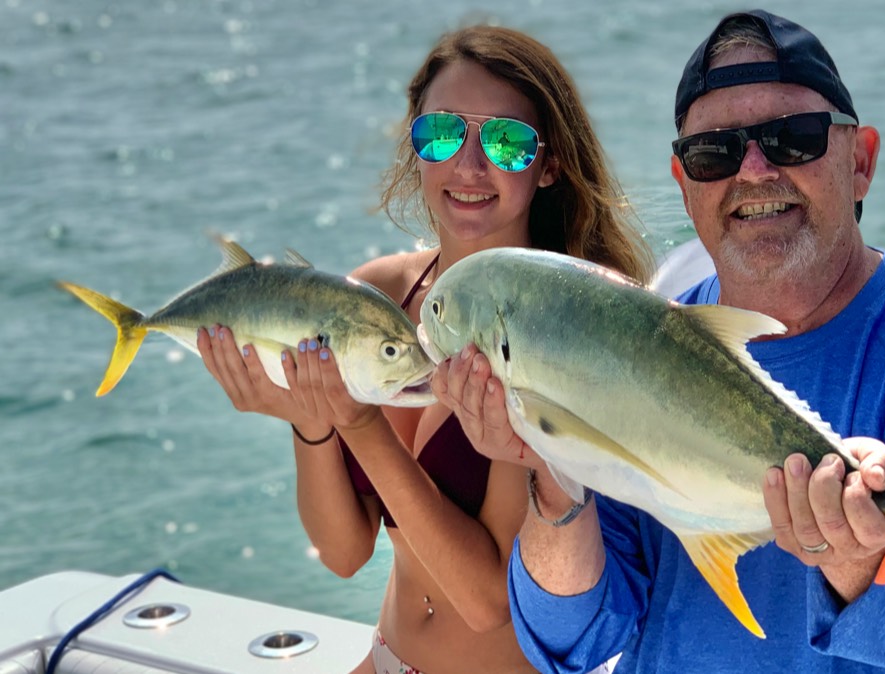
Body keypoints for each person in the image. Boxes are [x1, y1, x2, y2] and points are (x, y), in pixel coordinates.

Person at [436, 10, 885, 673]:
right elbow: (571, 641)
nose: (752, 171)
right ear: (684, 182)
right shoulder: (642, 344)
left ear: (859, 162)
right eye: (714, 152)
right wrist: (550, 466)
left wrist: (856, 555)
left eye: (792, 139)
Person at [196, 25, 651, 674]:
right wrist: (311, 420)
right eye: (442, 133)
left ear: (549, 165)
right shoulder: (379, 296)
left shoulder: (552, 332)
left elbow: (488, 598)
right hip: (384, 657)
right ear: (415, 146)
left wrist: (357, 424)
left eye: (507, 142)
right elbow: (344, 551)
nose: (469, 165)